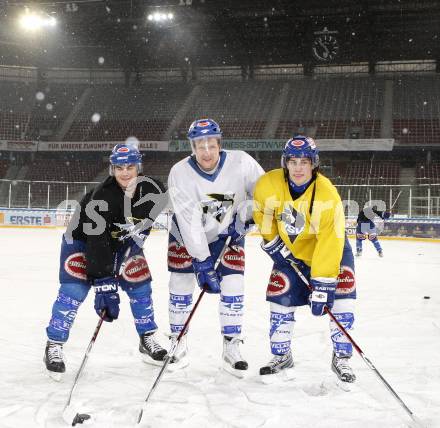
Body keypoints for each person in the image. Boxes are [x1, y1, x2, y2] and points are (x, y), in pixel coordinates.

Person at [44, 143, 168, 380]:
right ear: (112, 168)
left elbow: (145, 224)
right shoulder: (102, 197)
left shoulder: (153, 189)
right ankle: (54, 343)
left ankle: (147, 337)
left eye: (130, 166)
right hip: (81, 242)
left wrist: (133, 245)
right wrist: (104, 284)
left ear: (138, 167)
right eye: (119, 167)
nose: (125, 172)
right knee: (74, 290)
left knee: (140, 284)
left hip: (122, 242)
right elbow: (97, 242)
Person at [253, 135, 357, 383]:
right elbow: (262, 211)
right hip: (289, 254)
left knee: (342, 303)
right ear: (285, 162)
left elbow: (330, 241)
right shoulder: (268, 184)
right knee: (280, 299)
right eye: (293, 161)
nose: (298, 167)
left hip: (331, 254)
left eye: (304, 161)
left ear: (314, 163)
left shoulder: (327, 194)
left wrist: (323, 283)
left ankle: (341, 357)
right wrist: (272, 241)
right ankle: (281, 354)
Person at [166, 118, 264, 376]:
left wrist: (248, 216)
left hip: (229, 233)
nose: (206, 151)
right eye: (200, 145)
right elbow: (189, 221)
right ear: (193, 147)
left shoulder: (242, 162)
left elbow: (265, 193)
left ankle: (231, 345)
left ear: (219, 144)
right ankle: (178, 340)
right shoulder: (180, 172)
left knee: (233, 284)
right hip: (187, 235)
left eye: (211, 145)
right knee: (180, 283)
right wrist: (200, 260)